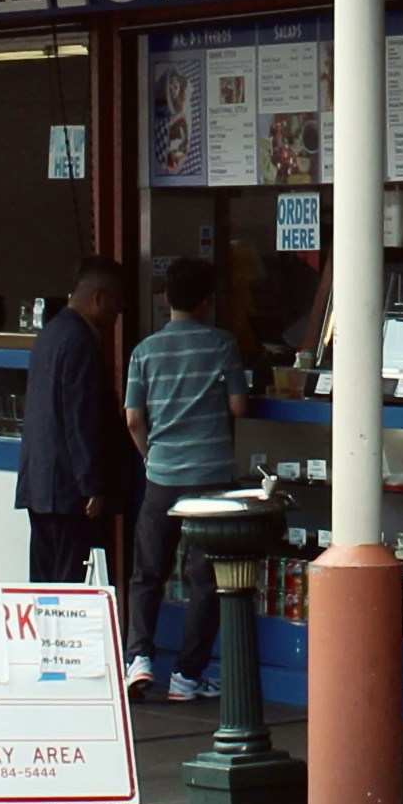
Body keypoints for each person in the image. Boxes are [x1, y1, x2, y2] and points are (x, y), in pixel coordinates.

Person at [124, 253, 253, 701]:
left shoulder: (144, 351)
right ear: (206, 302)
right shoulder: (222, 344)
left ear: (165, 297)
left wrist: (151, 458)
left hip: (162, 478)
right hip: (210, 480)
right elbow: (238, 406)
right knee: (205, 579)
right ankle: (186, 677)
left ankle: (139, 659)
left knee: (147, 572)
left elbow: (133, 418)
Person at [18, 257, 142, 624]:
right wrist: (92, 483)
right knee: (69, 586)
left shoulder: (50, 334)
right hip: (70, 490)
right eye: (118, 303)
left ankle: (44, 650)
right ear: (99, 298)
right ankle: (63, 653)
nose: (118, 313)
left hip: (40, 483)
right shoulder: (81, 342)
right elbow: (80, 418)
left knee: (44, 585)